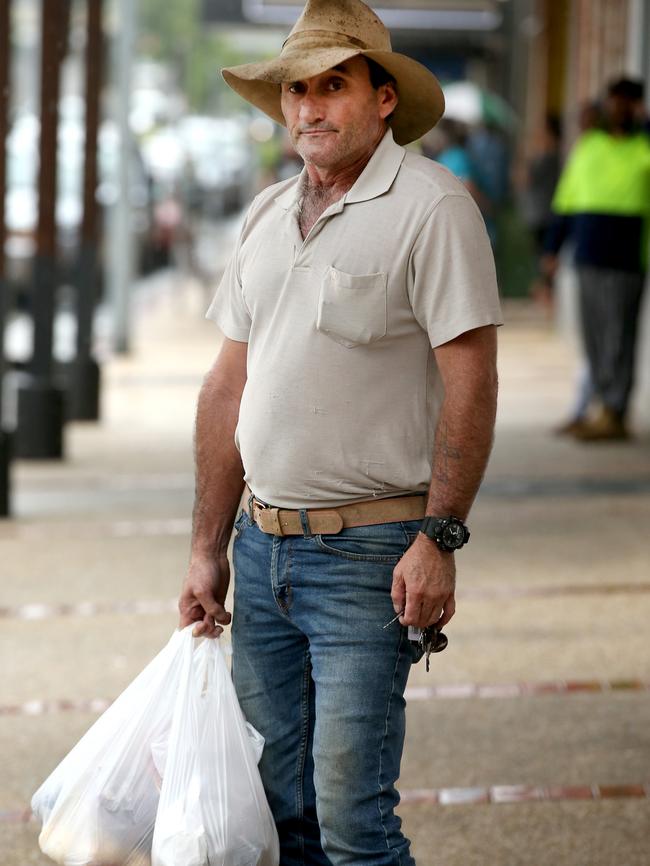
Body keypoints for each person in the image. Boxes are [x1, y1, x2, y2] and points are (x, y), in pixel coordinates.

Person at [178, 1, 502, 864]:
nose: (310, 108)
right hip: (262, 546)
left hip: (371, 558)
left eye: (334, 86)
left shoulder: (434, 209)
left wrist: (441, 536)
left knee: (356, 822)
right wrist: (208, 546)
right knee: (276, 814)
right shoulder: (264, 215)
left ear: (384, 98)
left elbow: (473, 384)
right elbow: (227, 387)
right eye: (296, 90)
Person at [543, 78, 650, 440]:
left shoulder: (643, 146)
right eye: (614, 101)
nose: (619, 109)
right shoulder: (588, 145)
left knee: (620, 336)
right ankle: (601, 406)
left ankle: (615, 411)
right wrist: (552, 251)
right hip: (587, 254)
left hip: (628, 257)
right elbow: (566, 202)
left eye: (628, 102)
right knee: (594, 336)